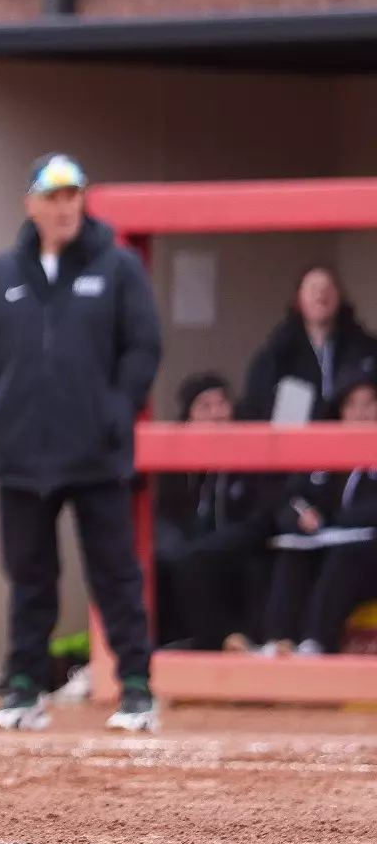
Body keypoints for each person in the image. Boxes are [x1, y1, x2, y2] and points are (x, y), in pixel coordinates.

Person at [0, 153, 163, 734]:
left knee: (115, 572)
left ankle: (137, 688)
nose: (64, 207)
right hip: (22, 452)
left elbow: (144, 346)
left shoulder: (119, 266)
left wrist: (116, 410)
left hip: (95, 452)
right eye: (52, 197)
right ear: (31, 205)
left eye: (72, 195)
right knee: (29, 575)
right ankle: (24, 687)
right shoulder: (3, 272)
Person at [152, 373, 273, 651]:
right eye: (205, 407)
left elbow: (260, 518)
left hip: (240, 545)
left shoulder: (251, 452)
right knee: (158, 564)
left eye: (222, 404)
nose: (217, 414)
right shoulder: (177, 468)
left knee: (194, 561)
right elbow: (167, 517)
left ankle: (219, 644)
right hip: (191, 550)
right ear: (188, 419)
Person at [259, 376, 377, 655]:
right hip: (325, 546)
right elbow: (292, 498)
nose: (361, 413)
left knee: (344, 554)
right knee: (292, 553)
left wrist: (331, 522)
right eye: (352, 405)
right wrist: (301, 516)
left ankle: (316, 643)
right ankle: (278, 642)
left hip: (366, 555)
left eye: (370, 403)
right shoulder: (326, 453)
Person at [238, 266, 377, 423]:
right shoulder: (276, 354)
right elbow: (255, 408)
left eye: (327, 289)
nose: (321, 295)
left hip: (354, 440)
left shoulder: (366, 349)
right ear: (299, 299)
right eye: (313, 289)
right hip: (298, 441)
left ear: (339, 296)